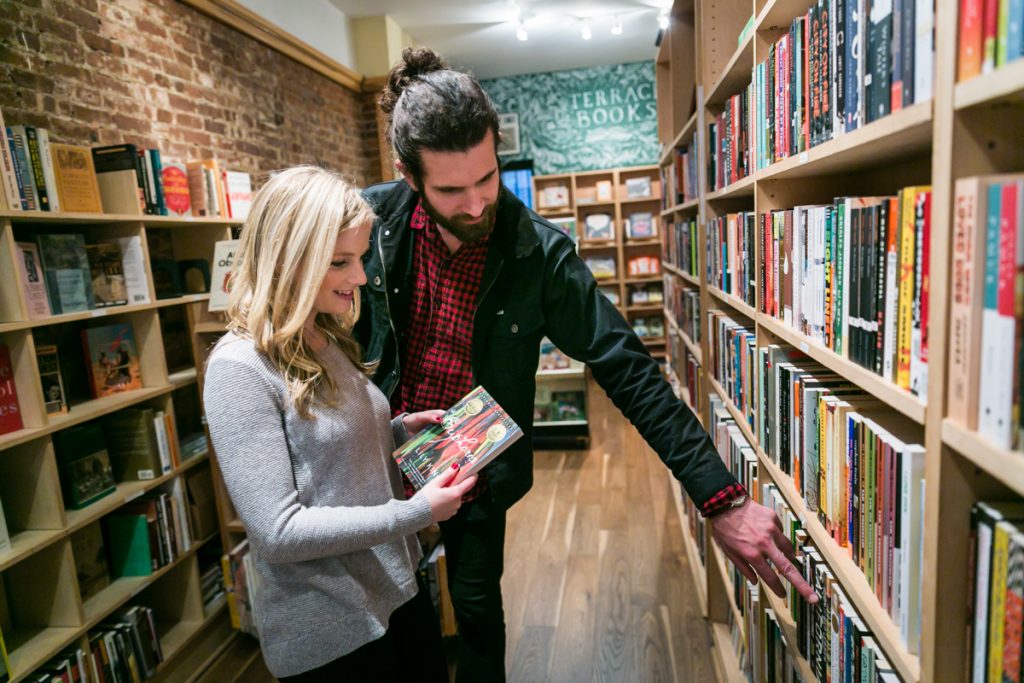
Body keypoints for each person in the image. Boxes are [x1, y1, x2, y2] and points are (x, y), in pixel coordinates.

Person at [354, 48, 819, 682]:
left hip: (471, 471)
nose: (475, 204)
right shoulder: (365, 223)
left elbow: (627, 368)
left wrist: (721, 498)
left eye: (487, 178)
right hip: (373, 455)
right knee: (389, 619)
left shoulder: (536, 253)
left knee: (478, 616)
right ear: (409, 176)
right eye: (451, 189)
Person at [203, 166, 478, 682]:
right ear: (289, 262)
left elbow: (326, 457)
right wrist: (415, 513)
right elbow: (279, 532)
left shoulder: (323, 336)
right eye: (340, 262)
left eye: (360, 257)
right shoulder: (239, 368)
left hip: (393, 589)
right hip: (331, 629)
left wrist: (396, 431)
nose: (359, 276)